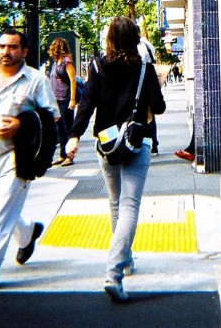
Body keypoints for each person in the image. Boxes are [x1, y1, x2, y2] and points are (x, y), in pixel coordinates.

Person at [66, 16, 166, 302]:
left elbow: (86, 106)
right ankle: (115, 272)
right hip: (137, 141)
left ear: (109, 39)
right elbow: (158, 107)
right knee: (130, 205)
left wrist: (73, 137)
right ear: (136, 40)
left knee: (114, 201)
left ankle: (125, 259)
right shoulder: (144, 68)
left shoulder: (97, 66)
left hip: (106, 143)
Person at [0, 29, 59, 295]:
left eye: (13, 47)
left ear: (24, 52)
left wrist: (20, 124)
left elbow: (51, 118)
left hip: (18, 157)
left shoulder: (36, 80)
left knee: (2, 213)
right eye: (2, 46)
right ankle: (27, 233)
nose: (6, 51)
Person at [48, 37, 78, 166]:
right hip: (56, 99)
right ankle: (62, 154)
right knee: (60, 128)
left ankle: (69, 156)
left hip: (65, 98)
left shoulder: (67, 61)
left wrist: (72, 99)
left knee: (67, 127)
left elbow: (73, 80)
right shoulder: (56, 63)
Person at [137, 30, 160, 156]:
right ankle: (154, 143)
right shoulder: (147, 44)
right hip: (151, 81)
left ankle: (147, 142)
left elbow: (141, 63)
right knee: (151, 115)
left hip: (143, 83)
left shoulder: (139, 45)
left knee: (143, 114)